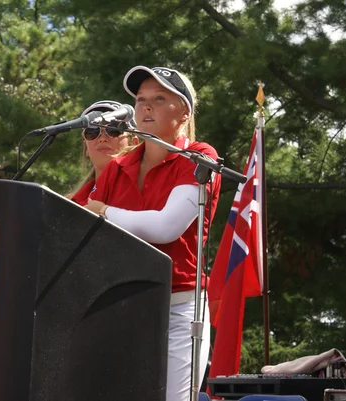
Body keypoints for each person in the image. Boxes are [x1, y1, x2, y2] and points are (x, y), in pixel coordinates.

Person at [84, 66, 221, 401]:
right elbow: (91, 235)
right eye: (141, 100)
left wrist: (104, 212)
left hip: (180, 306)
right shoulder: (117, 167)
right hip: (121, 303)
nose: (145, 107)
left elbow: (166, 227)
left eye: (159, 99)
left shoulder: (200, 157)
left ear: (185, 112)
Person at [66, 100, 138, 206]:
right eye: (92, 132)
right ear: (86, 148)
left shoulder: (147, 190)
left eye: (113, 129)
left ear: (133, 143)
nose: (102, 139)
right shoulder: (70, 204)